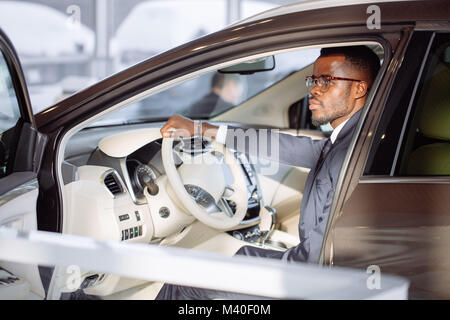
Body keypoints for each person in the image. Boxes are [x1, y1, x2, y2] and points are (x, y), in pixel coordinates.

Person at [157, 46, 380, 299]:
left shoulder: (350, 153)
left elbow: (315, 260)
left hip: (318, 281)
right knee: (243, 255)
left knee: (187, 283)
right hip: (324, 272)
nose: (314, 89)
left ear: (359, 89)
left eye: (326, 81)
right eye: (313, 80)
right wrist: (204, 129)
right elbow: (285, 146)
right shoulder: (349, 140)